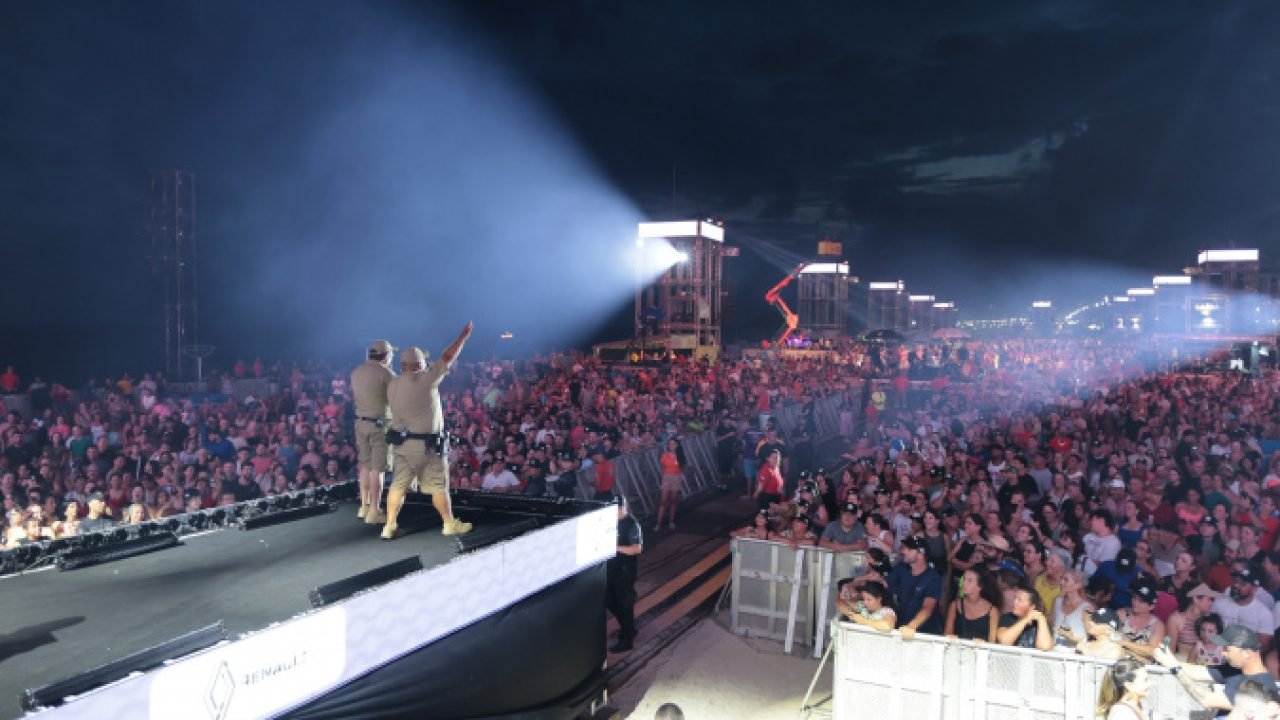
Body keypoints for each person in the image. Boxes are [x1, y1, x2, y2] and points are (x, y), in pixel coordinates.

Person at [382, 323, 474, 541]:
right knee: (439, 486)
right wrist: (462, 338)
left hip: (402, 446)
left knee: (398, 485)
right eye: (423, 362)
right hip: (427, 447)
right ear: (418, 365)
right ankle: (449, 524)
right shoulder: (425, 380)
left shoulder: (392, 385)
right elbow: (448, 357)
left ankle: (389, 526)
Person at [1155, 624, 1278, 713]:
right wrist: (1167, 659)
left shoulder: (1261, 686)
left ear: (1246, 653)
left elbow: (1207, 700)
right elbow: (1196, 672)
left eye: (1227, 649)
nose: (1223, 653)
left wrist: (1174, 667)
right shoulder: (1235, 669)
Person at [350, 339, 396, 525]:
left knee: (366, 466)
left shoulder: (356, 372)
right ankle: (375, 511)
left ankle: (364, 506)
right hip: (379, 425)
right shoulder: (386, 373)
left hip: (361, 423)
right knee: (378, 468)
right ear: (385, 356)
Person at [888, 536, 943, 639]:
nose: (904, 551)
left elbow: (928, 607)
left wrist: (911, 626)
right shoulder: (901, 569)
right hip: (901, 629)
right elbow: (884, 584)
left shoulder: (933, 578)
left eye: (909, 549)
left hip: (926, 634)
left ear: (921, 555)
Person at [608, 496, 643, 653]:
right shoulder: (611, 521)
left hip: (625, 570)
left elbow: (637, 548)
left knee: (625, 604)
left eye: (615, 509)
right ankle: (628, 628)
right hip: (612, 569)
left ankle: (627, 639)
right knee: (609, 601)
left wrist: (614, 548)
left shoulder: (632, 524)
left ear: (623, 508)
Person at [945, 567, 1001, 642]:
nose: (964, 583)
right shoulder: (954, 605)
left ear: (979, 586)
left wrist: (983, 644)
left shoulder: (992, 610)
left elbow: (992, 642)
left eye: (969, 580)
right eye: (964, 579)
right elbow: (947, 634)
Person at [654, 436, 686, 531]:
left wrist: (681, 476)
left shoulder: (680, 456)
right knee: (663, 501)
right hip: (666, 478)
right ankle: (658, 523)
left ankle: (671, 521)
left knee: (673, 500)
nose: (671, 446)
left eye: (673, 444)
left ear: (677, 445)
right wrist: (664, 476)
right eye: (670, 444)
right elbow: (662, 466)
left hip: (676, 477)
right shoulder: (665, 455)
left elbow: (683, 467)